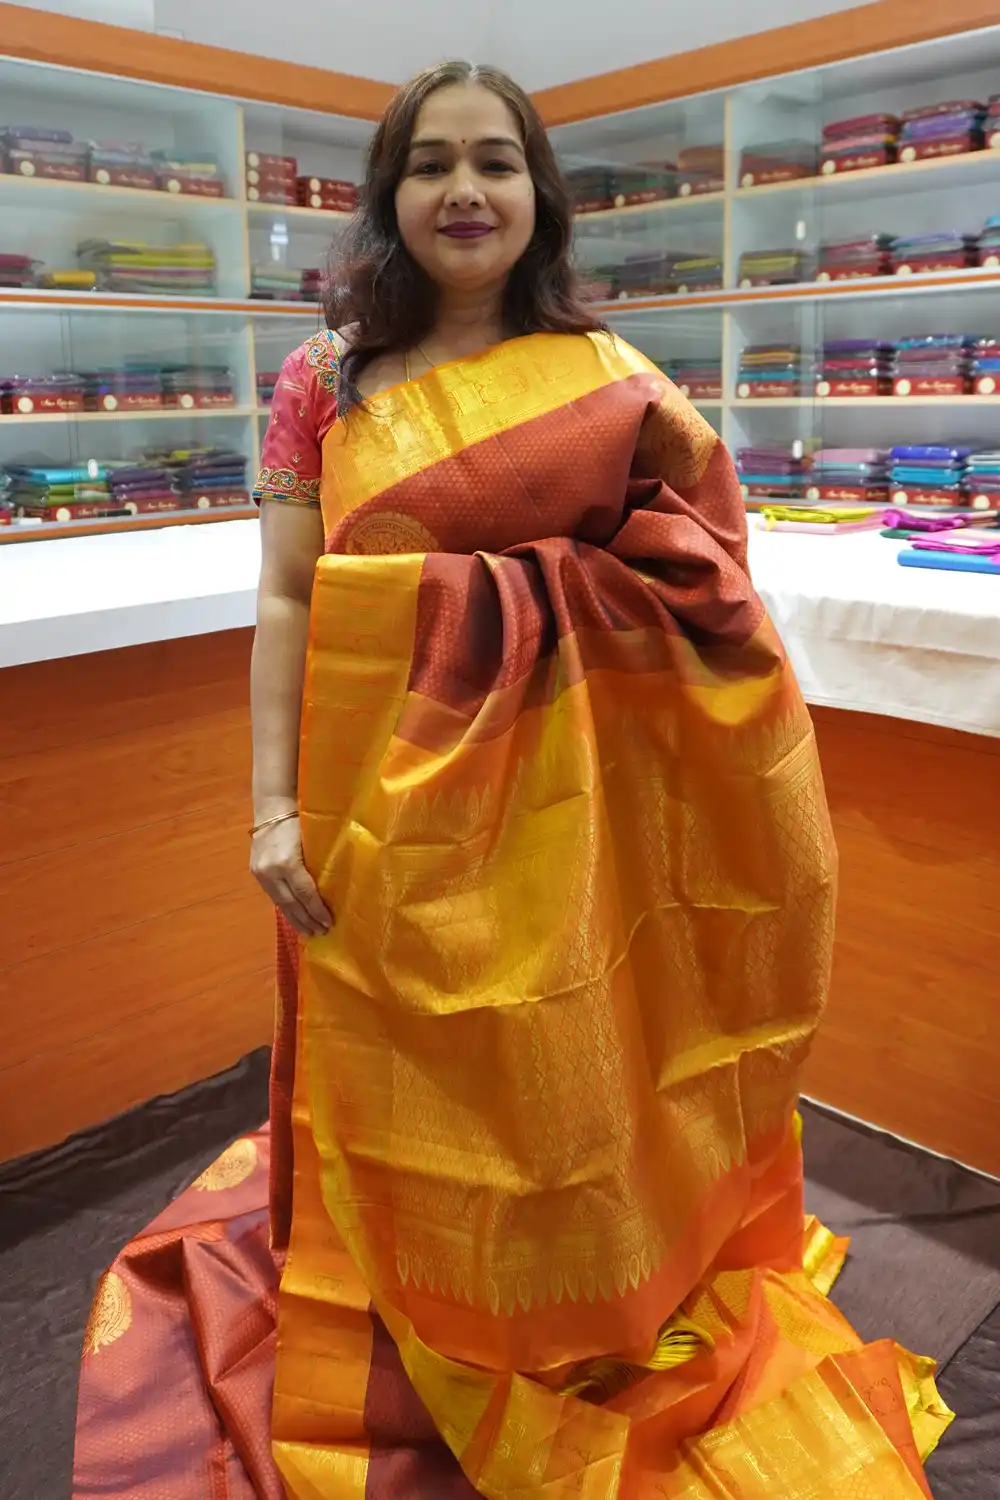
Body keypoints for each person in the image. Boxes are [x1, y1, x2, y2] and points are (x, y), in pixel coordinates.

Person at [73, 61, 949, 1500]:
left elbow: (709, 582)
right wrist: (272, 807)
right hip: (378, 810)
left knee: (558, 1074)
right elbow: (288, 596)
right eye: (430, 163)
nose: (464, 190)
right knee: (402, 1072)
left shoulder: (606, 379)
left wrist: (535, 604)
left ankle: (571, 1302)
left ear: (539, 194)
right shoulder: (323, 382)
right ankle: (397, 1321)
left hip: (573, 828)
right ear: (391, 193)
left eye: (495, 161)